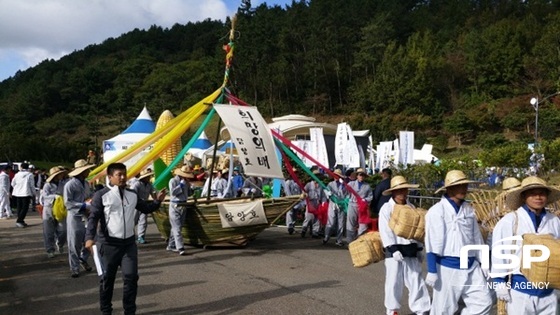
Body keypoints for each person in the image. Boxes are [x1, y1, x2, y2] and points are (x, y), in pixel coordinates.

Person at [85, 162, 166, 315]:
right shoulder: (101, 195)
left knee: (131, 278)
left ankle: (129, 311)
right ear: (110, 177)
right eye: (119, 175)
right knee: (107, 281)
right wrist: (89, 237)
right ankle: (106, 311)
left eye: (124, 174)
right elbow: (93, 217)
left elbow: (145, 208)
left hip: (128, 244)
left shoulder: (132, 194)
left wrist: (157, 201)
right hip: (108, 244)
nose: (123, 177)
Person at [424, 170, 492, 314]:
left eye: (464, 185)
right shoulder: (437, 211)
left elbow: (476, 238)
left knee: (484, 303)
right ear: (449, 188)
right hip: (448, 267)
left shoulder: (468, 210)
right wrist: (431, 269)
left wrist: (484, 262)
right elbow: (433, 241)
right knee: (443, 310)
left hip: (471, 265)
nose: (463, 189)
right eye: (459, 186)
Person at [492, 176, 560, 314]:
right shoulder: (510, 220)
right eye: (532, 193)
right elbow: (499, 252)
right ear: (523, 197)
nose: (538, 197)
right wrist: (499, 281)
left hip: (549, 291)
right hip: (520, 290)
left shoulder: (554, 221)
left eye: (542, 193)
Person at [378, 176, 430, 315]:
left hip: (410, 249)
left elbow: (417, 229)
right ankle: (393, 310)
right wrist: (392, 248)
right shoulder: (387, 208)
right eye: (399, 190)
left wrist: (419, 247)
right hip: (394, 250)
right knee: (393, 282)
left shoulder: (411, 207)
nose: (402, 193)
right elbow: (385, 230)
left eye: (404, 189)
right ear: (393, 192)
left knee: (416, 280)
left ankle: (422, 309)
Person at [64, 159, 96, 278]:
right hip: (75, 216)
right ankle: (74, 267)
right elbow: (67, 202)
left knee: (90, 240)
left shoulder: (87, 183)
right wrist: (83, 205)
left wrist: (91, 200)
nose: (88, 172)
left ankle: (83, 258)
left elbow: (90, 195)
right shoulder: (70, 185)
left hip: (87, 215)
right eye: (86, 170)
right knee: (74, 243)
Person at [40, 166, 68, 258]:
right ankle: (50, 249)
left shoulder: (63, 183)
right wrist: (54, 197)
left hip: (60, 209)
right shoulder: (47, 185)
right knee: (48, 231)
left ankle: (60, 243)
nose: (61, 175)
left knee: (63, 230)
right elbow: (44, 196)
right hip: (49, 208)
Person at [167, 165, 193, 255]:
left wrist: (190, 187)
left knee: (177, 227)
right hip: (175, 205)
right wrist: (180, 185)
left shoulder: (186, 182)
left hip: (183, 204)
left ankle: (171, 244)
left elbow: (189, 194)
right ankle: (180, 247)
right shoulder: (173, 181)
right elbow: (173, 192)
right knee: (177, 227)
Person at [346, 168, 373, 242]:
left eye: (363, 175)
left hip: (362, 206)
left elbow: (370, 196)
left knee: (363, 224)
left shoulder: (367, 186)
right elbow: (345, 191)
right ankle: (350, 241)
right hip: (352, 204)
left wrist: (365, 200)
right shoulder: (351, 184)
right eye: (360, 175)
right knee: (351, 223)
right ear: (357, 176)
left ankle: (360, 240)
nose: (361, 176)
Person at [130, 169, 157, 244]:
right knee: (133, 221)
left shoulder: (149, 185)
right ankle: (129, 235)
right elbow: (132, 194)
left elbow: (153, 192)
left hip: (144, 204)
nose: (149, 178)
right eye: (147, 177)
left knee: (143, 221)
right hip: (136, 204)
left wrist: (156, 199)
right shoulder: (136, 184)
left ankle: (141, 237)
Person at [322, 169, 348, 246]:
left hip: (341, 205)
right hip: (333, 204)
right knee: (331, 221)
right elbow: (326, 192)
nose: (336, 177)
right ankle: (326, 237)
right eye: (335, 175)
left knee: (341, 223)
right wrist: (328, 194)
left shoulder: (344, 184)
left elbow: (347, 194)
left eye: (338, 176)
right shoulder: (330, 184)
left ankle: (339, 240)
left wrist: (343, 186)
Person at [301, 170, 326, 238]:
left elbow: (323, 195)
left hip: (318, 202)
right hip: (310, 202)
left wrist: (323, 202)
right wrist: (305, 195)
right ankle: (304, 229)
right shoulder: (309, 184)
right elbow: (304, 191)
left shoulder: (320, 185)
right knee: (309, 217)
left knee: (317, 217)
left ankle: (315, 232)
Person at [11, 162, 35, 228]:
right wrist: (33, 193)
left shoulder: (17, 174)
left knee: (19, 207)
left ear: (21, 167)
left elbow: (13, 183)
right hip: (26, 192)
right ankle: (19, 220)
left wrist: (17, 187)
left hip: (17, 193)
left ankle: (21, 220)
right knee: (25, 207)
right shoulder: (30, 174)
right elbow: (31, 185)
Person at [284, 169, 304, 235]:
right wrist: (292, 199)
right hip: (291, 199)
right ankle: (289, 226)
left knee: (295, 213)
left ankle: (292, 225)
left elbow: (301, 191)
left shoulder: (298, 182)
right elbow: (288, 192)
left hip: (298, 200)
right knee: (290, 212)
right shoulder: (288, 182)